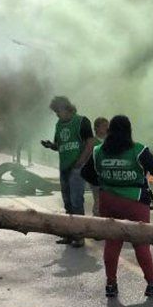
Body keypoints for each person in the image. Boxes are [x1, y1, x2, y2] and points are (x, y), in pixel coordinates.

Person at [81, 115, 153, 297]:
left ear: (109, 131)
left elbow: (86, 173)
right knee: (140, 243)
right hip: (135, 201)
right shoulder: (138, 150)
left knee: (112, 242)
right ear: (129, 131)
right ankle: (152, 283)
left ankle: (111, 285)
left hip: (108, 201)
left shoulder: (99, 151)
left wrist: (105, 182)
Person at [40, 96, 95, 247]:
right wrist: (51, 145)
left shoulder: (82, 121)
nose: (57, 114)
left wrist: (81, 161)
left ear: (66, 108)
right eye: (55, 112)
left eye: (58, 111)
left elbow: (90, 143)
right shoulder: (59, 124)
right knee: (67, 201)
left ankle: (80, 235)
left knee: (77, 201)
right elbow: (60, 145)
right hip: (64, 167)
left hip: (76, 168)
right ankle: (69, 234)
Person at [90, 117, 109, 216]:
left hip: (108, 176)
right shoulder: (92, 142)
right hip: (96, 176)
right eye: (104, 126)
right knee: (98, 200)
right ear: (96, 128)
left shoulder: (110, 142)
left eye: (108, 126)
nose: (107, 128)